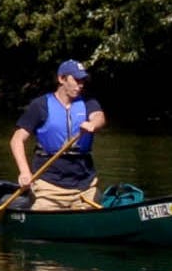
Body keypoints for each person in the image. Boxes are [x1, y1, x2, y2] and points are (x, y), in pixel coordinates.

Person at [9, 59, 105, 211]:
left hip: (84, 185)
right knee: (43, 212)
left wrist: (92, 124)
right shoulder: (40, 105)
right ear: (61, 79)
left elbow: (99, 116)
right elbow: (17, 140)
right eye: (76, 80)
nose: (80, 85)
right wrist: (25, 172)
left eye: (83, 80)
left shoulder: (88, 102)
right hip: (49, 185)